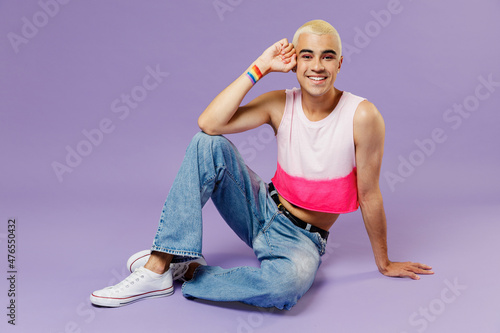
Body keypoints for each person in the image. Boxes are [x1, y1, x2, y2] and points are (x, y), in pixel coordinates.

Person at [90, 19, 434, 310]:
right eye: (307, 56)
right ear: (295, 62)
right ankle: (157, 266)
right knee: (206, 144)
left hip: (302, 239)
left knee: (285, 287)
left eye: (327, 57)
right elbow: (209, 123)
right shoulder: (280, 103)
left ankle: (189, 272)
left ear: (340, 64)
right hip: (259, 207)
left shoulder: (362, 115)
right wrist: (261, 67)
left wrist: (384, 262)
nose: (317, 66)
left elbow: (369, 194)